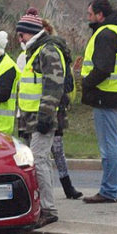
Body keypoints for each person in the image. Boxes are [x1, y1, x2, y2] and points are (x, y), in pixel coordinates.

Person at [80, 0, 117, 204]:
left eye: (90, 15)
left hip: (105, 94)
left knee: (109, 146)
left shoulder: (105, 34)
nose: (88, 18)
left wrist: (86, 82)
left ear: (100, 15)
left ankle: (109, 189)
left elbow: (103, 68)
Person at [15, 8, 66, 227]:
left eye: (21, 34)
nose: (19, 38)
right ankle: (39, 207)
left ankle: (48, 208)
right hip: (30, 117)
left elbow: (53, 86)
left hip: (41, 118)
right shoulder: (33, 51)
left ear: (30, 33)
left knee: (39, 161)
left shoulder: (47, 51)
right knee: (35, 162)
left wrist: (46, 115)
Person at [42, 17, 82, 200]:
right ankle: (56, 187)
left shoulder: (54, 53)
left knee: (56, 149)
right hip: (36, 109)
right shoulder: (29, 55)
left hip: (54, 107)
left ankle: (67, 186)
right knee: (44, 153)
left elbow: (66, 80)